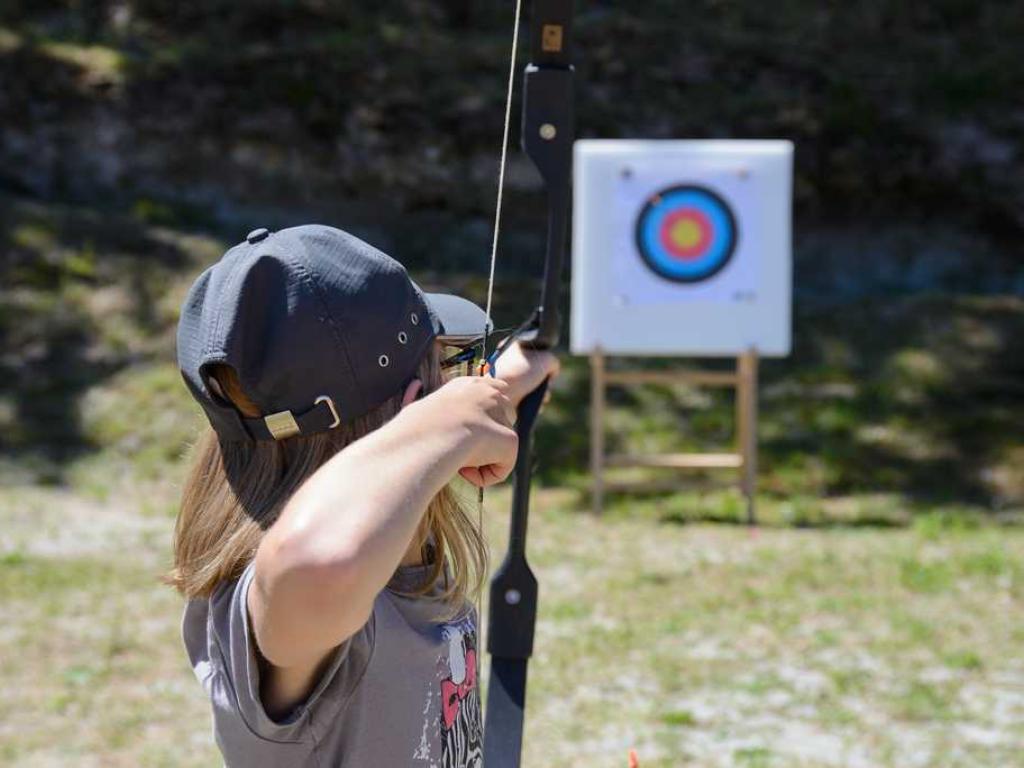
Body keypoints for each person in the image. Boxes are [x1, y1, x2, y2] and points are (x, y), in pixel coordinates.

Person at [167, 224, 559, 767]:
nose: (456, 384)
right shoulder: (285, 597)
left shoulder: (384, 537)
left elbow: (374, 485)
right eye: (442, 367)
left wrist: (503, 385)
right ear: (411, 414)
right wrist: (442, 428)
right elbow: (324, 558)